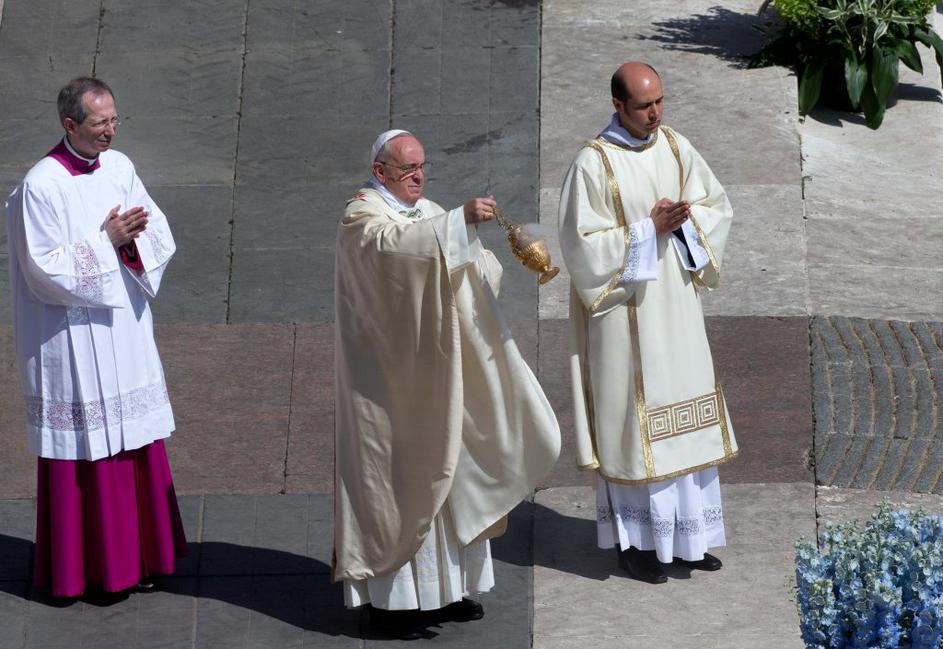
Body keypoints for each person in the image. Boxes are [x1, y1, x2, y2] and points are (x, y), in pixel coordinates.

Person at [334, 130, 560, 639]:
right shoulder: (361, 217)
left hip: (435, 372)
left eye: (422, 167)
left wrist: (472, 241)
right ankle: (393, 605)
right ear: (380, 172)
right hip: (388, 384)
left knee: (450, 470)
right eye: (407, 169)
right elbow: (391, 254)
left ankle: (449, 590)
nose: (418, 176)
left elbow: (471, 275)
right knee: (403, 484)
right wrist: (456, 225)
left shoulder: (429, 210)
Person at [557, 62, 738, 585]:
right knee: (633, 431)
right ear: (618, 105)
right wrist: (646, 230)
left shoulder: (676, 146)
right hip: (624, 316)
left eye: (660, 100)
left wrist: (684, 222)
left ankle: (688, 540)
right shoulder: (593, 164)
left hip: (676, 309)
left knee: (686, 423)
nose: (655, 113)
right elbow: (581, 247)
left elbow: (716, 207)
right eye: (644, 105)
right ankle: (636, 546)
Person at [5, 77, 186, 599]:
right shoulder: (41, 186)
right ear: (70, 124)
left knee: (135, 438)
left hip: (122, 330)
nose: (110, 131)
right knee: (85, 448)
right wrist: (106, 241)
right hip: (71, 339)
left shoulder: (120, 167)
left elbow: (155, 230)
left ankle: (145, 556)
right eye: (100, 123)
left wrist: (131, 243)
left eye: (114, 120)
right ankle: (89, 570)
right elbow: (41, 267)